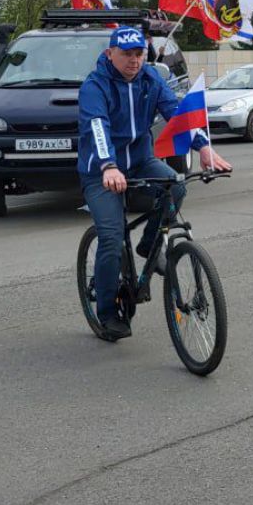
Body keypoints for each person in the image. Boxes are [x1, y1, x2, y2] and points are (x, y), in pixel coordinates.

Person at [78, 26, 232, 341]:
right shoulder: (96, 85)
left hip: (139, 161)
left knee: (175, 186)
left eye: (139, 54)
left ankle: (149, 244)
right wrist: (108, 166)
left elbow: (176, 114)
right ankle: (107, 313)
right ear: (111, 54)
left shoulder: (150, 78)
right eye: (127, 55)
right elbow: (97, 126)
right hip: (100, 169)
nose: (134, 61)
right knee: (110, 238)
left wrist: (203, 147)